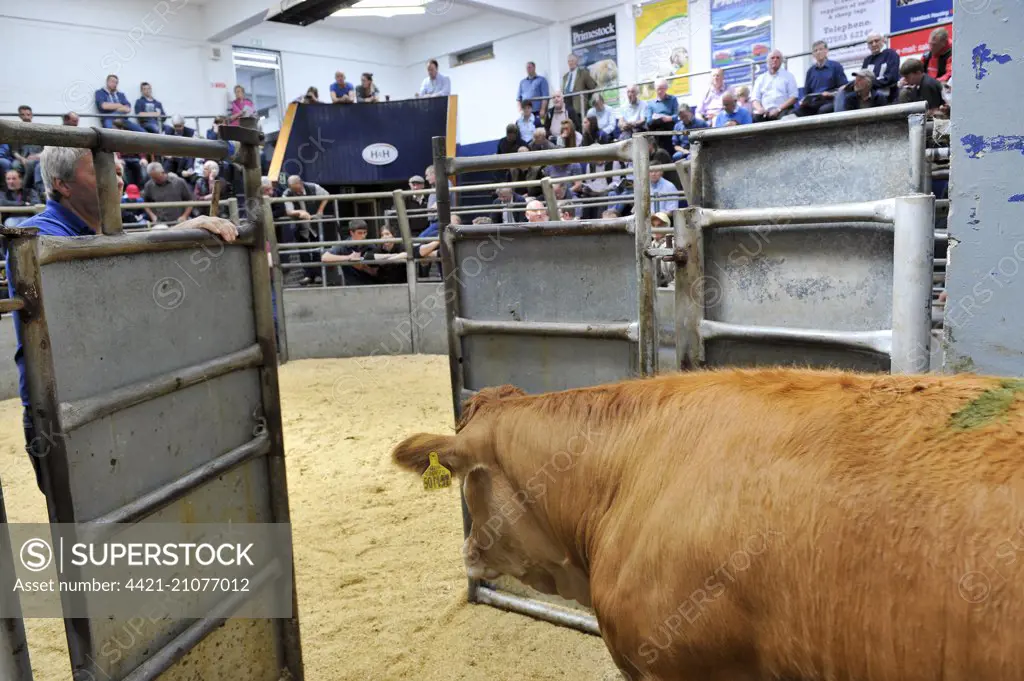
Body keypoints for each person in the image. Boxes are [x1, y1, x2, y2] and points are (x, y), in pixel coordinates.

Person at [7, 146, 237, 493]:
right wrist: (172, 237)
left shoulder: (107, 232)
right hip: (63, 411)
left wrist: (179, 232)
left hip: (116, 396)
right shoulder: (38, 236)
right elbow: (103, 290)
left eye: (116, 170)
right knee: (91, 518)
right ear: (62, 185)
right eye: (99, 170)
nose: (116, 179)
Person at [795, 41, 847, 117]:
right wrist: (804, 101)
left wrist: (830, 94)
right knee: (798, 112)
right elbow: (807, 93)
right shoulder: (810, 71)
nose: (818, 52)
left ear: (826, 51)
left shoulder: (836, 66)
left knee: (823, 110)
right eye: (815, 50)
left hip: (830, 100)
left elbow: (843, 87)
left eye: (820, 49)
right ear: (813, 54)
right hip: (814, 102)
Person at [321, 219, 379, 285]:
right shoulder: (344, 245)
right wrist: (349, 258)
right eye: (360, 233)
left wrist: (363, 267)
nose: (363, 236)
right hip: (351, 286)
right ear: (352, 233)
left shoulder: (371, 245)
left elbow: (375, 272)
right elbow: (325, 257)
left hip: (370, 285)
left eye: (365, 232)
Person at [751, 50, 798, 122]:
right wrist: (760, 109)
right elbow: (755, 99)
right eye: (772, 58)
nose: (775, 60)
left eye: (778, 58)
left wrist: (778, 109)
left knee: (789, 117)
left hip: (782, 110)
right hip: (765, 113)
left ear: (781, 61)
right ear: (767, 61)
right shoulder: (760, 78)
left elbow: (794, 97)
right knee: (755, 118)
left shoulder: (789, 76)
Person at [862, 33, 901, 103]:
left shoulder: (891, 54)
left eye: (876, 41)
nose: (874, 44)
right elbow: (862, 80)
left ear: (883, 41)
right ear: (868, 46)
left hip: (888, 96)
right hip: (869, 96)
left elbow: (891, 78)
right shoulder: (867, 60)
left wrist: (870, 84)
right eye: (870, 43)